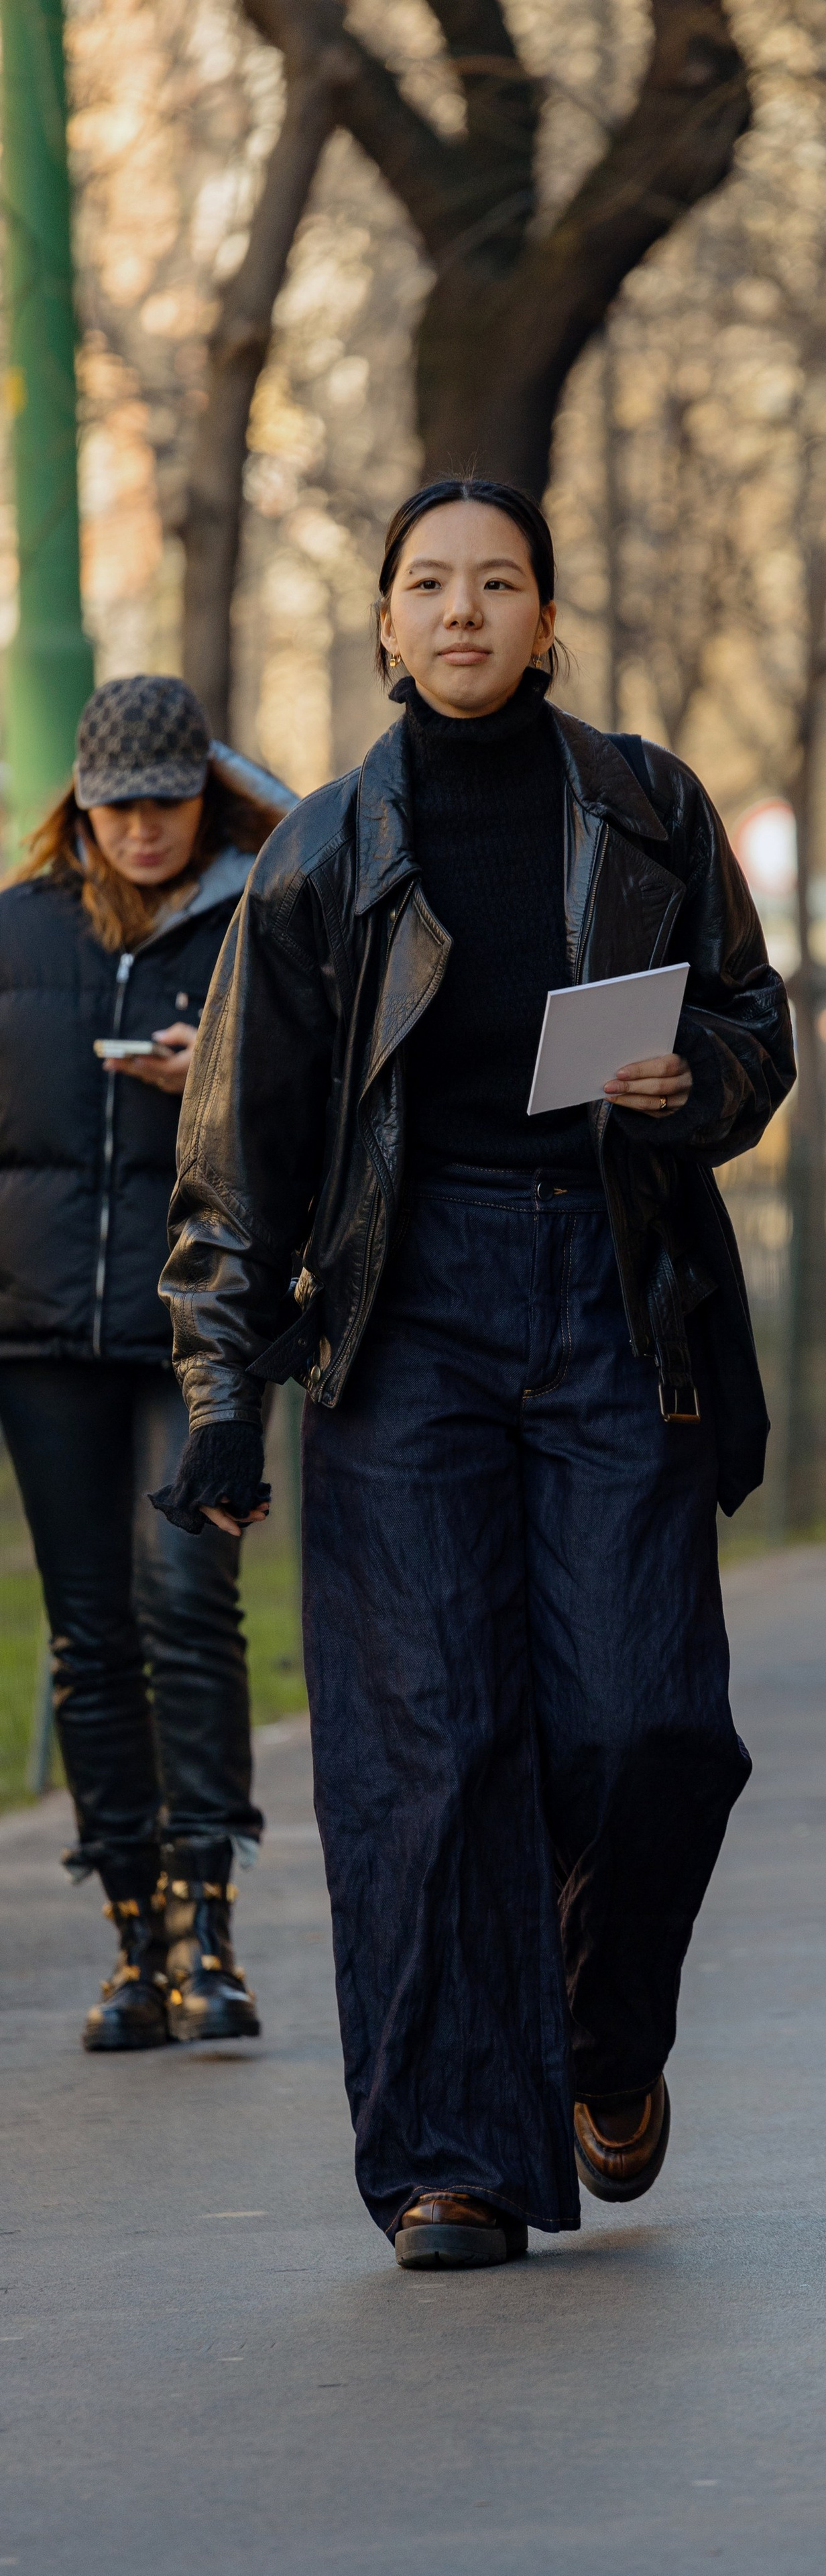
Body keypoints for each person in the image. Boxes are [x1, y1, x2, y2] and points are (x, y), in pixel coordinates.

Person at [154, 476, 793, 2269]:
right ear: (382, 622)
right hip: (400, 1315)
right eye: (427, 584)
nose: (461, 611)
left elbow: (755, 1016)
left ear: (547, 614)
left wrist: (703, 1085)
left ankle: (606, 2033)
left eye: (496, 582)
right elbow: (239, 1155)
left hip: (615, 1291)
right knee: (429, 1752)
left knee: (648, 1722)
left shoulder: (648, 804)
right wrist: (221, 1400)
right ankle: (458, 2156)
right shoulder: (321, 853)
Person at [0, 676, 290, 2049]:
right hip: (41, 1337)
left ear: (203, 795)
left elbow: (319, 1115)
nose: (141, 828)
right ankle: (133, 1945)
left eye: (167, 800)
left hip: (197, 1334)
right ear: (81, 805)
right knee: (89, 1632)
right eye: (116, 804)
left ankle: (210, 1936)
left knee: (187, 1603)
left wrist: (216, 1085)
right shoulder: (16, 933)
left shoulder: (259, 927)